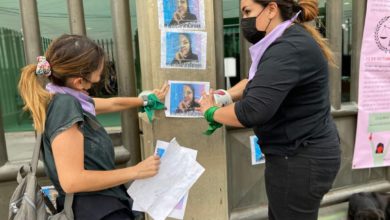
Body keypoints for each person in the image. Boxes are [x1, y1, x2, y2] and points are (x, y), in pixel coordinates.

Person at [199, 0, 340, 219]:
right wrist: (226, 96)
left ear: (272, 9)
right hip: (298, 154)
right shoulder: (285, 41)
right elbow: (257, 81)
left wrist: (210, 111)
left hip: (299, 159)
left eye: (248, 11)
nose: (244, 20)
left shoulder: (288, 48)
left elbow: (252, 111)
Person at [18, 34, 169, 220]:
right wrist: (136, 171)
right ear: (79, 81)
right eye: (93, 82)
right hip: (96, 211)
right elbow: (72, 181)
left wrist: (146, 100)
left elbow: (113, 104)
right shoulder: (65, 106)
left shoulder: (60, 97)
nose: (92, 88)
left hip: (98, 208)